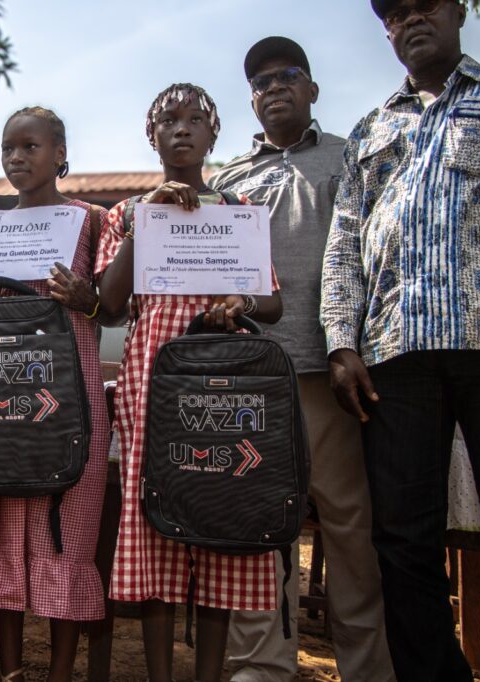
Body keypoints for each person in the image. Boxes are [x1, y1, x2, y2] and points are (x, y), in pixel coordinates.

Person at [210, 37, 395, 682]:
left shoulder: (352, 158)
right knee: (260, 531)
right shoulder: (228, 181)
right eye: (259, 83)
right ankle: (262, 666)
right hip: (253, 378)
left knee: (350, 528)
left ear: (312, 88)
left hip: (330, 373)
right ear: (252, 102)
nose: (273, 88)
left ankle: (368, 668)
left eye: (286, 75)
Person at [96, 84, 283, 682]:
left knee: (218, 512)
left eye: (195, 119)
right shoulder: (127, 213)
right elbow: (111, 303)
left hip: (225, 378)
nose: (182, 129)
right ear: (151, 136)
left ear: (212, 134)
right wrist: (145, 220)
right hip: (151, 380)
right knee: (156, 520)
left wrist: (241, 298)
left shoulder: (237, 206)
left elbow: (271, 302)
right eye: (168, 121)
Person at [321, 1, 480, 680]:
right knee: (403, 541)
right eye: (395, 14)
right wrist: (340, 340)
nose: (411, 20)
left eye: (426, 5)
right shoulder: (370, 128)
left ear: (457, 12)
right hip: (394, 355)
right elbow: (343, 248)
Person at [0, 106, 112, 682]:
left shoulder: (93, 221)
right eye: (8, 148)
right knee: (3, 522)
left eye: (30, 146)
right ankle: (11, 671)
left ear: (60, 153)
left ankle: (60, 672)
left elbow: (115, 306)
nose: (17, 157)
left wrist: (86, 296)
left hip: (70, 398)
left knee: (67, 529)